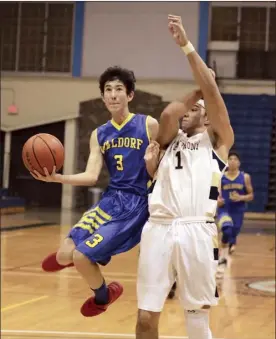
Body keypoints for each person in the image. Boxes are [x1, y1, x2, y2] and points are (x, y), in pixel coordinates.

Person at [31, 66, 158, 317]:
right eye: (108, 90)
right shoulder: (99, 134)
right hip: (110, 199)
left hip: (135, 205)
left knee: (80, 256)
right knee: (65, 253)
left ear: (130, 95)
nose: (113, 95)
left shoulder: (148, 125)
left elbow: (161, 169)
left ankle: (103, 295)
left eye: (119, 89)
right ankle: (84, 264)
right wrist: (56, 178)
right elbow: (91, 176)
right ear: (103, 97)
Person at [135, 14, 234, 339]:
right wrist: (197, 91)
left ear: (208, 120)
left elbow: (214, 98)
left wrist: (188, 48)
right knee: (146, 316)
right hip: (159, 228)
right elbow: (168, 114)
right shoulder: (165, 140)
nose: (188, 111)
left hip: (197, 231)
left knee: (196, 317)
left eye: (197, 109)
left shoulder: (218, 141)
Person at [217, 151, 254, 270]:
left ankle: (228, 247)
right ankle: (222, 256)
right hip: (224, 209)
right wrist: (217, 200)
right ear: (226, 162)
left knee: (233, 232)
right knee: (226, 230)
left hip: (238, 210)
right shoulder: (221, 176)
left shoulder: (245, 177)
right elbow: (215, 192)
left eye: (235, 159)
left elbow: (251, 195)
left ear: (239, 162)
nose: (232, 161)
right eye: (230, 159)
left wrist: (241, 197)